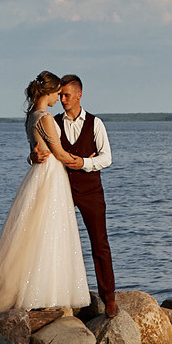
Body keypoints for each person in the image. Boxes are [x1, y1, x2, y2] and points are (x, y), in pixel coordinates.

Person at [0, 72, 91, 313]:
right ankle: (44, 292)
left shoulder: (30, 117)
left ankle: (29, 288)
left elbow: (36, 148)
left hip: (38, 174)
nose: (59, 97)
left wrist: (32, 156)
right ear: (48, 93)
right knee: (50, 231)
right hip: (50, 175)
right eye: (57, 93)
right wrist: (82, 161)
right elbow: (57, 152)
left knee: (32, 232)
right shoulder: (46, 118)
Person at [44, 74, 116, 315]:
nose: (62, 99)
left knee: (100, 243)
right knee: (56, 242)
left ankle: (109, 297)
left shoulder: (95, 123)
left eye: (66, 95)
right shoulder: (53, 122)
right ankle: (56, 295)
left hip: (91, 190)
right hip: (62, 189)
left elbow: (107, 158)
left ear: (79, 95)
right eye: (60, 95)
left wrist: (84, 162)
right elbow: (42, 152)